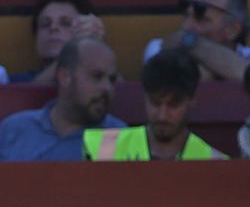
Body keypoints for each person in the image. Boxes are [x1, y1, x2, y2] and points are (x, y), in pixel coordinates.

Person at [0, 37, 124, 162]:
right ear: (64, 77)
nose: (107, 88)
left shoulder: (117, 136)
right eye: (96, 77)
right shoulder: (15, 130)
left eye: (111, 80)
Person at [83, 49, 225, 161]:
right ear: (144, 97)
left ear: (192, 100)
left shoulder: (214, 162)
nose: (162, 115)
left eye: (173, 105)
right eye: (155, 102)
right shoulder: (104, 148)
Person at [143, 0, 250, 82]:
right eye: (187, 16)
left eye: (201, 19)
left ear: (233, 30)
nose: (187, 26)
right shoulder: (158, 47)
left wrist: (190, 41)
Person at [11, 0, 107, 85]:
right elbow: (28, 94)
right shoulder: (16, 82)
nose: (53, 28)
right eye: (45, 24)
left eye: (66, 23)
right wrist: (76, 54)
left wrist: (97, 49)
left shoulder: (100, 81)